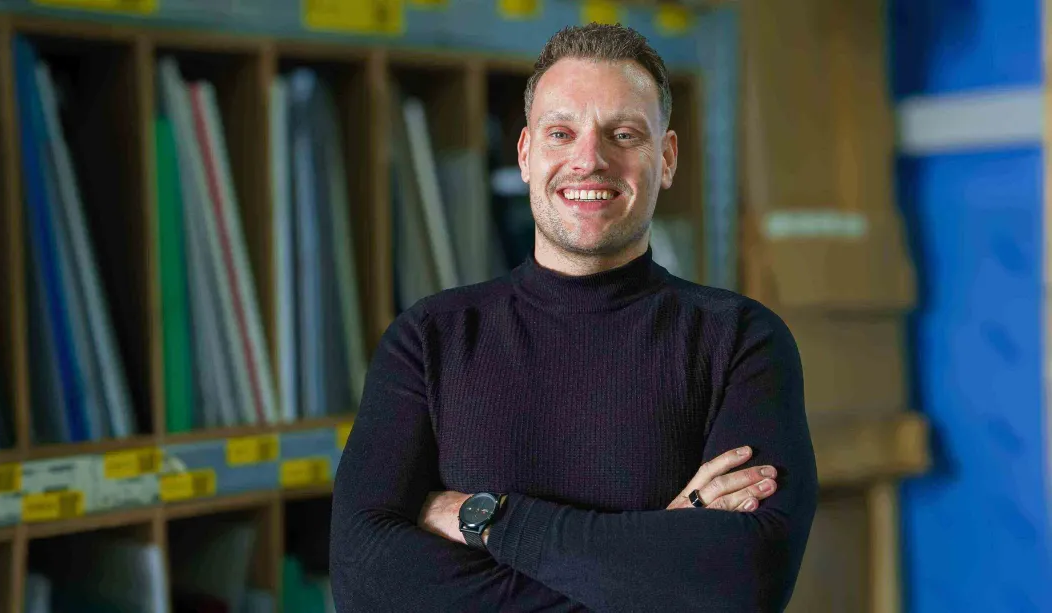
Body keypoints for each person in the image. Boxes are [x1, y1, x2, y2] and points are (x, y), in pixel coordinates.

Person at [329, 22, 818, 612]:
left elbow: (743, 581)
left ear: (666, 159)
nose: (589, 160)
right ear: (526, 154)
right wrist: (654, 561)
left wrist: (486, 519)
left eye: (623, 134)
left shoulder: (739, 340)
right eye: (561, 133)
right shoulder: (430, 339)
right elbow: (363, 579)